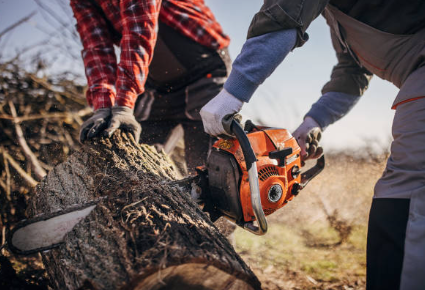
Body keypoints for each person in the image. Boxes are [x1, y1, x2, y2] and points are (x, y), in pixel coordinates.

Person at [200, 1, 425, 289]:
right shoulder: (339, 20)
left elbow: (283, 14)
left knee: (408, 188)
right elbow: (352, 74)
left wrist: (233, 92)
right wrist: (312, 123)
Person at [70, 0, 230, 174]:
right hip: (157, 86)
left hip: (204, 71)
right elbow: (95, 47)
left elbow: (138, 31)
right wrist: (103, 107)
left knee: (207, 172)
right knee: (137, 163)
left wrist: (124, 104)